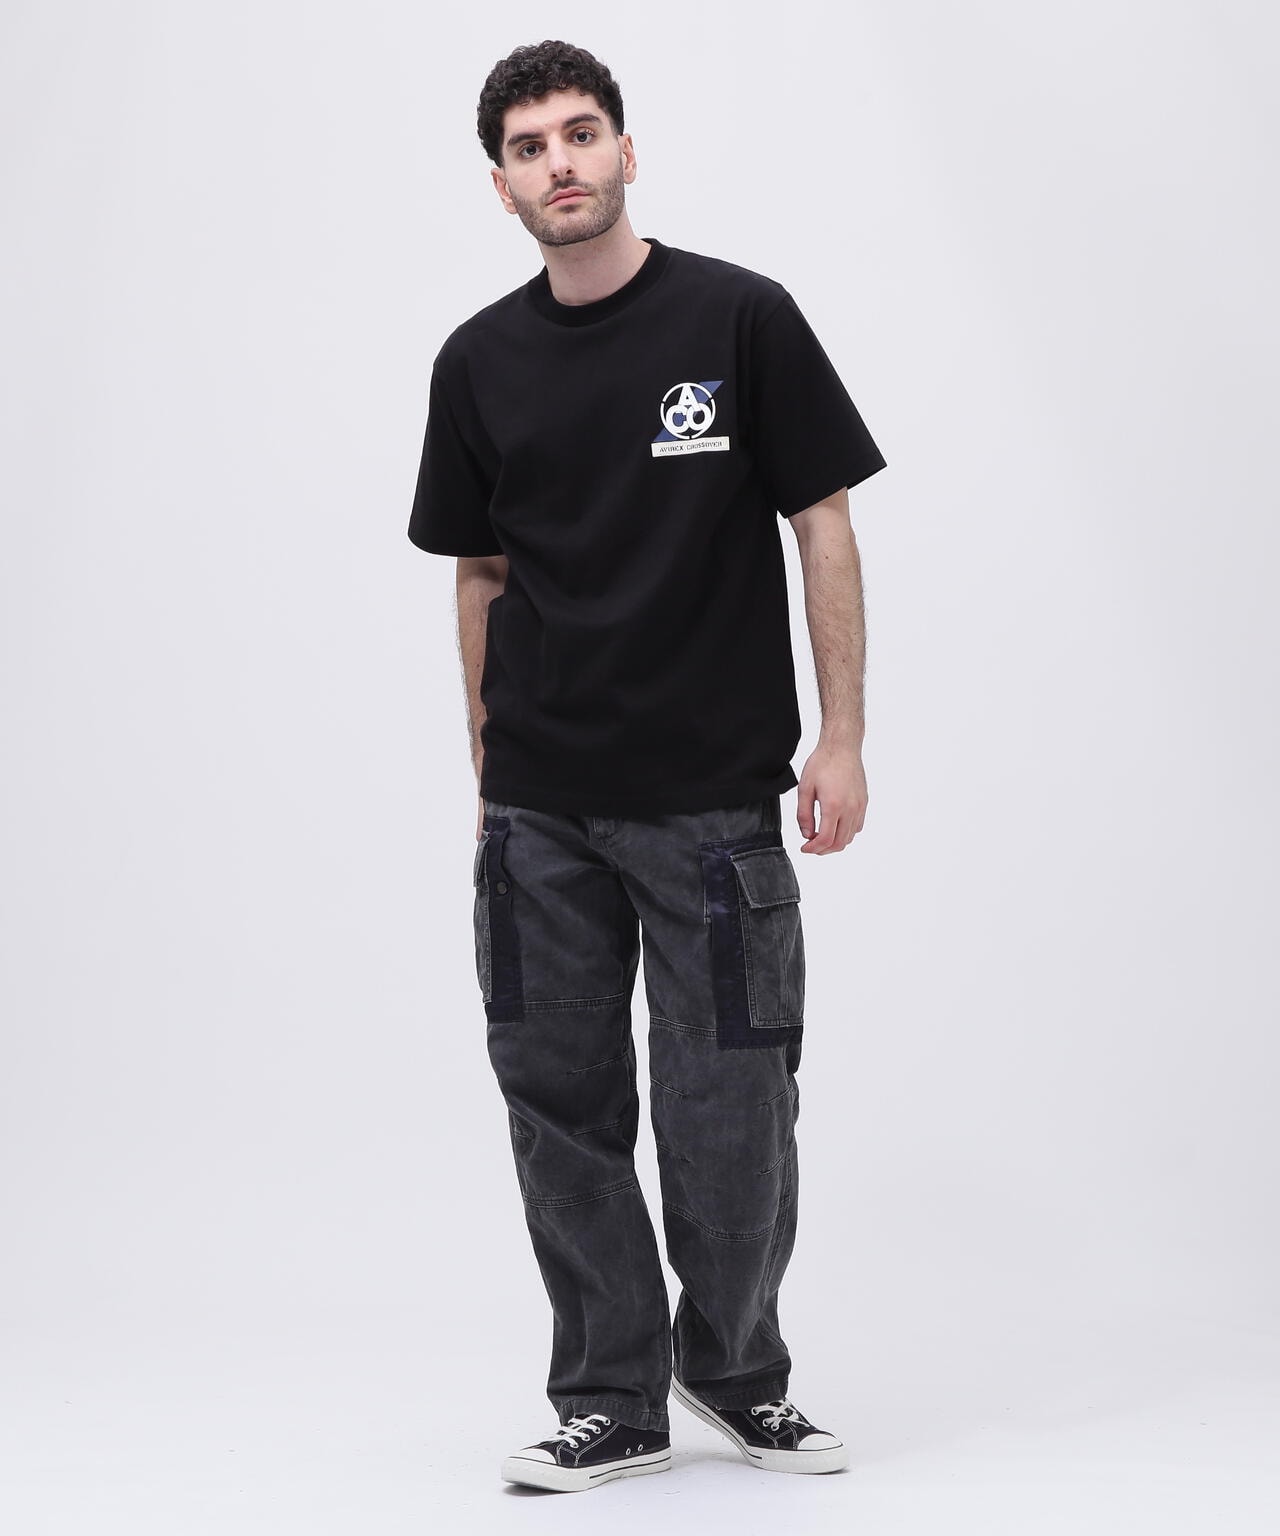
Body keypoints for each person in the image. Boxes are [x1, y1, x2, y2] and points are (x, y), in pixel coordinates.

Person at [407, 39, 887, 1494]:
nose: (560, 162)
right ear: (501, 186)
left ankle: (735, 1371)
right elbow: (480, 574)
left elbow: (822, 523)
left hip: (712, 806)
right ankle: (610, 1395)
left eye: (580, 133)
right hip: (540, 811)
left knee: (733, 1108)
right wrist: (486, 765)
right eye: (529, 146)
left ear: (627, 150)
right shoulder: (477, 362)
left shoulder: (740, 317)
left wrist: (843, 735)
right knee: (560, 1109)